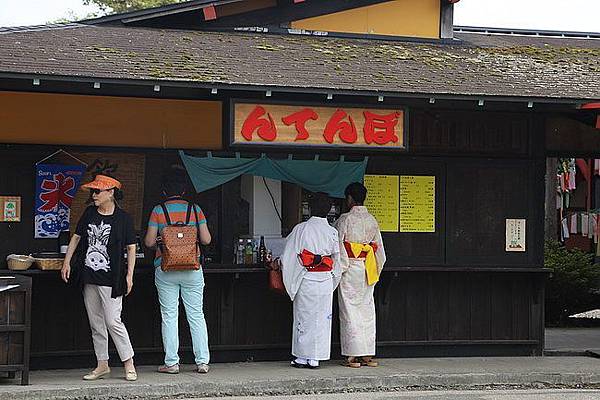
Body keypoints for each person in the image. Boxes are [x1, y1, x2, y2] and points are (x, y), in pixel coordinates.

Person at [60, 174, 138, 381]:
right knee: (96, 323)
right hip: (89, 275)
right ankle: (102, 364)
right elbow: (76, 238)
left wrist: (129, 275)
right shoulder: (89, 213)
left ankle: (129, 363)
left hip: (112, 278)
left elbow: (131, 248)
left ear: (110, 193)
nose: (94, 195)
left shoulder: (123, 219)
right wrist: (66, 262)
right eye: (93, 191)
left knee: (113, 321)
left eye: (97, 191)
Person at [144, 166, 212, 374]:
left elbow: (148, 242)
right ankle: (202, 361)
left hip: (166, 269)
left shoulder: (158, 210)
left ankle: (172, 363)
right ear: (184, 190)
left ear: (164, 190)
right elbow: (207, 239)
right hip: (193, 267)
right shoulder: (196, 209)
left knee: (169, 315)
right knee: (196, 315)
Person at [281, 192, 341, 369]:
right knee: (322, 319)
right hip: (324, 280)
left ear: (309, 208)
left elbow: (289, 257)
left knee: (304, 317)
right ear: (329, 209)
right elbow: (337, 261)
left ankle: (302, 356)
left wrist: (291, 277)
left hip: (306, 277)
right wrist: (333, 278)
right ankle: (316, 357)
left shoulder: (301, 229)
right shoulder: (332, 231)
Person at [335, 182, 386, 368]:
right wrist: (375, 269)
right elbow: (379, 251)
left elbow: (338, 246)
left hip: (349, 268)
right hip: (367, 268)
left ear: (349, 198)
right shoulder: (372, 220)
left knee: (349, 310)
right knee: (366, 310)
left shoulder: (344, 219)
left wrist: (340, 269)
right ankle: (367, 354)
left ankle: (352, 355)